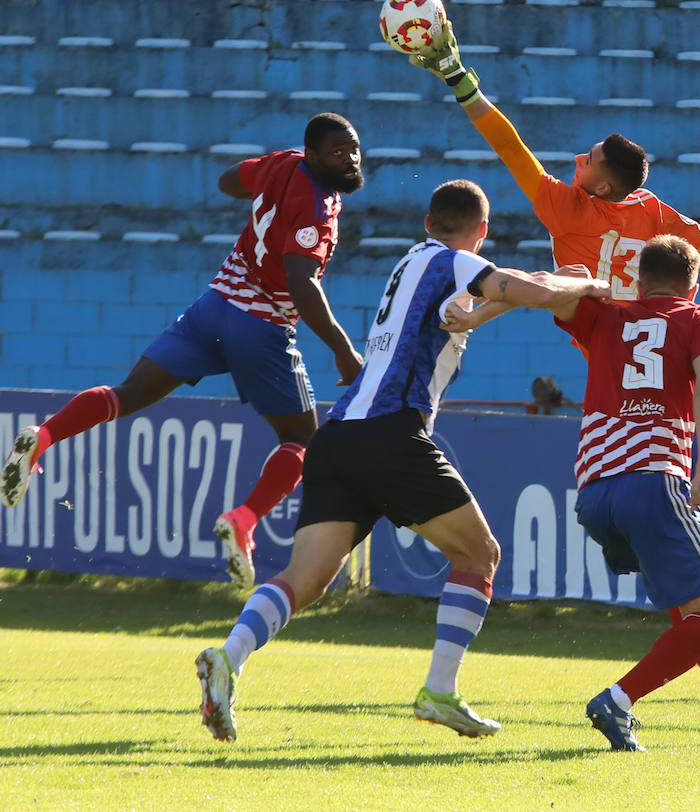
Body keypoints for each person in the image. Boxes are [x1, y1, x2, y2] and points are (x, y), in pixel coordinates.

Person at [409, 24, 700, 659]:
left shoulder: (565, 207)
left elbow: (509, 147)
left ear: (600, 185)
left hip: (618, 361)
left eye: (586, 160)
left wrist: (458, 78)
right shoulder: (651, 210)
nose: (575, 161)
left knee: (699, 478)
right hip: (668, 350)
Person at [194, 178, 613, 743]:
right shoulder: (455, 261)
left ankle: (229, 656)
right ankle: (439, 690)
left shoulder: (413, 262)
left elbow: (493, 298)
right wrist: (587, 285)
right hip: (392, 432)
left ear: (427, 222)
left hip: (338, 435)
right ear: (480, 233)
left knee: (306, 579)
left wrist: (533, 292)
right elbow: (517, 286)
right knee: (479, 554)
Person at [1, 113, 367, 589]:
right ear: (315, 155)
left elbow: (228, 181)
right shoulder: (318, 208)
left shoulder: (283, 163)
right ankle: (243, 520)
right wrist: (343, 350)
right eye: (338, 152)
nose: (350, 159)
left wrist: (267, 194)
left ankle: (43, 437)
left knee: (128, 393)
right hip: (261, 325)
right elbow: (301, 283)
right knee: (302, 441)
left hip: (213, 306)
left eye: (354, 148)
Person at [546, 233, 700, 750]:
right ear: (693, 283)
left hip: (594, 493)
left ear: (637, 277)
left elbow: (556, 283)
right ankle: (617, 700)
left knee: (688, 609)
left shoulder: (605, 315)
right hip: (656, 481)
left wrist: (596, 285)